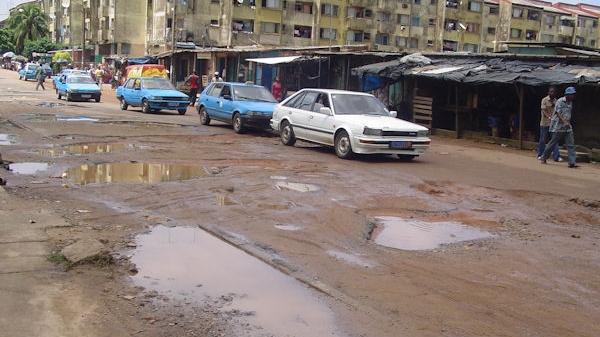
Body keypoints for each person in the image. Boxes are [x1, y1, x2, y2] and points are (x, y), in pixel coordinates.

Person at [541, 86, 577, 168]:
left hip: (567, 126)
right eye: (572, 94)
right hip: (558, 126)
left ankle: (572, 162)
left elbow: (568, 114)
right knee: (553, 143)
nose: (573, 96)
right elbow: (558, 113)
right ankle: (544, 157)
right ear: (567, 95)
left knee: (570, 144)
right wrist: (564, 121)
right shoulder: (560, 101)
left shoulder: (570, 102)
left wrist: (567, 122)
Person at [538, 87, 561, 161]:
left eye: (553, 92)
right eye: (551, 92)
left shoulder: (556, 101)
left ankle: (556, 157)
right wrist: (550, 117)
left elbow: (557, 111)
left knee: (554, 140)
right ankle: (541, 154)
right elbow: (544, 111)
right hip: (544, 123)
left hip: (553, 125)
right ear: (548, 92)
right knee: (542, 140)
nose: (552, 93)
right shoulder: (544, 100)